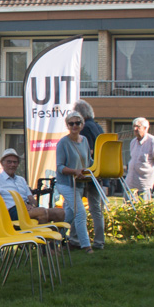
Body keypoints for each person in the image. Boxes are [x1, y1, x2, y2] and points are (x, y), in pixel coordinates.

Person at [0, 148, 63, 223]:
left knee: (60, 213)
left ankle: (53, 231)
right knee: (41, 212)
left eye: (15, 162)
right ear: (2, 163)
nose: (12, 165)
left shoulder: (21, 180)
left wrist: (32, 205)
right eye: (9, 162)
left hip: (26, 208)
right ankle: (41, 231)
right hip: (10, 212)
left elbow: (31, 198)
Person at [55, 111, 93, 252]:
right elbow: (60, 167)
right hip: (65, 184)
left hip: (79, 184)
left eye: (77, 123)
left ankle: (53, 241)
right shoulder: (63, 143)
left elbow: (89, 161)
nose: (74, 126)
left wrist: (99, 167)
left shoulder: (85, 140)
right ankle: (86, 246)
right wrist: (75, 171)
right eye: (71, 123)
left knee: (69, 216)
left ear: (82, 125)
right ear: (67, 125)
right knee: (80, 213)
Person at [73, 99, 106, 249]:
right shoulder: (98, 127)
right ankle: (99, 241)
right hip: (98, 173)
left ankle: (74, 239)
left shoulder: (84, 129)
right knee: (96, 208)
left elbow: (86, 152)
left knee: (76, 206)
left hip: (86, 173)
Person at [125, 117, 154, 200]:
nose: (135, 129)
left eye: (138, 127)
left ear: (145, 128)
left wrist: (152, 172)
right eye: (134, 126)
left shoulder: (153, 141)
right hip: (130, 181)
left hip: (144, 183)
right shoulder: (133, 142)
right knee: (127, 205)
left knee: (143, 205)